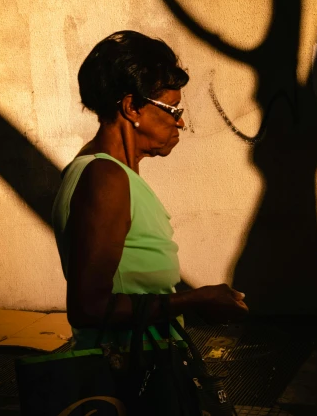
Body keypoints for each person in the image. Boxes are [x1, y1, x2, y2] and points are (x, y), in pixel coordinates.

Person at [52, 30, 248, 350]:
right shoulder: (106, 178)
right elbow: (88, 308)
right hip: (126, 376)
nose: (180, 122)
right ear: (132, 107)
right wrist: (194, 299)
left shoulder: (102, 169)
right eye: (173, 109)